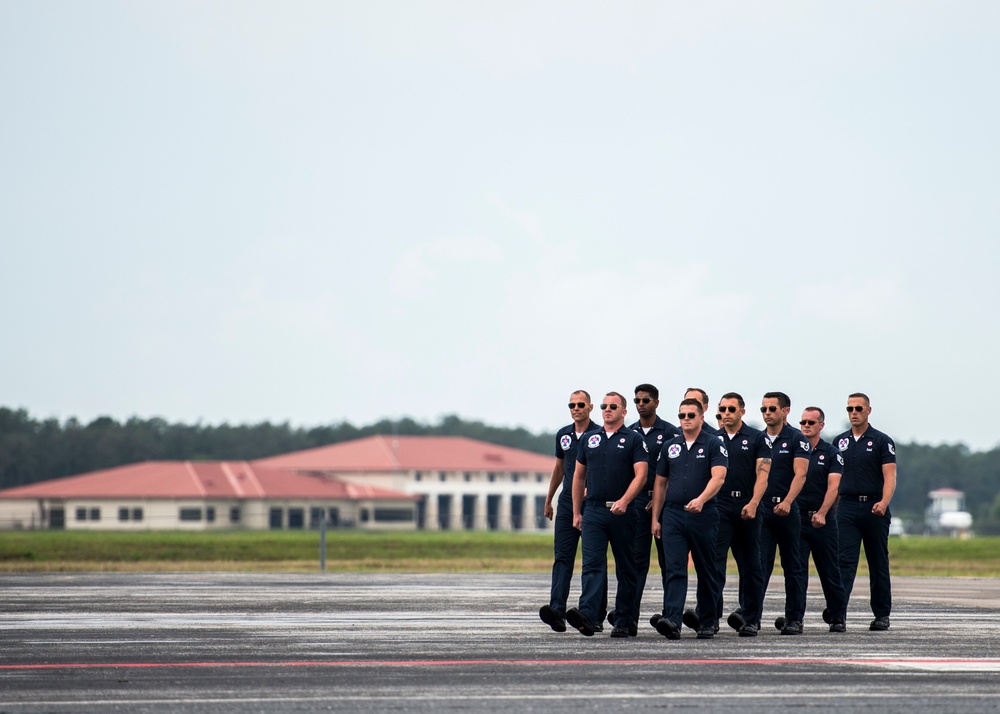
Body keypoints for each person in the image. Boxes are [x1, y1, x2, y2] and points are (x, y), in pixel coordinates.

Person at [565, 392, 649, 638]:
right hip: (593, 511)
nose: (607, 409)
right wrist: (576, 511)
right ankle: (589, 616)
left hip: (624, 512)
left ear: (624, 412)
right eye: (604, 406)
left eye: (613, 406)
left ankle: (625, 620)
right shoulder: (590, 439)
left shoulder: (633, 439)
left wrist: (625, 500)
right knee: (591, 565)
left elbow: (641, 475)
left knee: (626, 567)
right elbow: (579, 477)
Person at [650, 398, 727, 640]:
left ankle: (707, 620)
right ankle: (672, 620)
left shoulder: (714, 444)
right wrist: (656, 518)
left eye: (691, 415)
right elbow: (660, 483)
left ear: (702, 417)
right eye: (682, 415)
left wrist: (702, 499)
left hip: (703, 515)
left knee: (706, 569)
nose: (685, 419)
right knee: (674, 569)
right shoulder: (670, 446)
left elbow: (719, 477)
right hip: (673, 514)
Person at [539, 392, 603, 633]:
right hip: (566, 501)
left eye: (580, 405)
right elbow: (558, 467)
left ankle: (592, 614)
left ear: (590, 407)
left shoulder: (599, 435)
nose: (576, 409)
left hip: (591, 501)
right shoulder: (563, 435)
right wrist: (549, 499)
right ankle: (557, 610)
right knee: (562, 558)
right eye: (572, 405)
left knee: (592, 560)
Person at [617, 383, 679, 630]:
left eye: (645, 400)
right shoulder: (629, 433)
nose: (641, 405)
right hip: (638, 504)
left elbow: (678, 470)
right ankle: (629, 617)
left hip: (665, 504)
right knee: (636, 561)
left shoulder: (672, 433)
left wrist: (661, 497)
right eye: (637, 401)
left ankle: (669, 616)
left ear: (656, 403)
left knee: (669, 562)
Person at [835, 393, 897, 631]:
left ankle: (882, 614)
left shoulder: (882, 441)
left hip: (874, 506)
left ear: (869, 410)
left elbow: (890, 476)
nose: (854, 412)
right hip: (847, 507)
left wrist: (883, 501)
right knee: (844, 562)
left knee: (878, 562)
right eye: (850, 408)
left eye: (858, 408)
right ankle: (838, 614)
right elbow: (833, 479)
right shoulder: (840, 442)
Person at [711, 392, 770, 637]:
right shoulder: (711, 438)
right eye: (722, 410)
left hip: (748, 505)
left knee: (751, 565)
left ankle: (750, 618)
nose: (726, 414)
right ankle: (710, 617)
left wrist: (754, 502)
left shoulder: (757, 438)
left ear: (742, 412)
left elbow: (763, 474)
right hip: (720, 506)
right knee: (714, 564)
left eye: (731, 410)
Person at [758, 391, 810, 635]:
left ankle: (794, 618)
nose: (767, 413)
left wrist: (789, 501)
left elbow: (800, 474)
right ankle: (751, 616)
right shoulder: (758, 439)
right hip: (763, 509)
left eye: (772, 409)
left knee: (793, 566)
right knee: (758, 565)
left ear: (785, 411)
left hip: (786, 510)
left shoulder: (796, 439)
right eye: (764, 409)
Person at [797, 406, 848, 633]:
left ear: (821, 426)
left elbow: (834, 486)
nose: (806, 426)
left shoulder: (831, 453)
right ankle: (795, 619)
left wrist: (822, 512)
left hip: (823, 521)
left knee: (830, 571)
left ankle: (837, 617)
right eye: (803, 422)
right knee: (796, 572)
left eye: (811, 422)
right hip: (797, 519)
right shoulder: (795, 450)